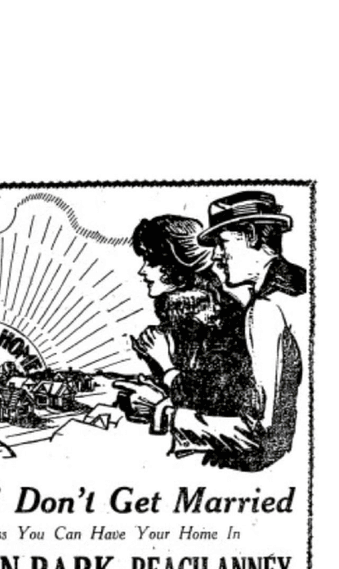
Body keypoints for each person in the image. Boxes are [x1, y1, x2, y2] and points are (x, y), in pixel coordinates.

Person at [121, 191, 306, 470]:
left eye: (222, 243)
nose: (216, 256)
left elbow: (259, 433)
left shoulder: (267, 309)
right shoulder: (297, 288)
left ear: (251, 236)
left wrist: (163, 407)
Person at [120, 215, 254, 427]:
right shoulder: (176, 312)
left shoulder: (223, 317)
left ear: (179, 267)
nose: (143, 270)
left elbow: (220, 401)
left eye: (152, 261)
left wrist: (164, 364)